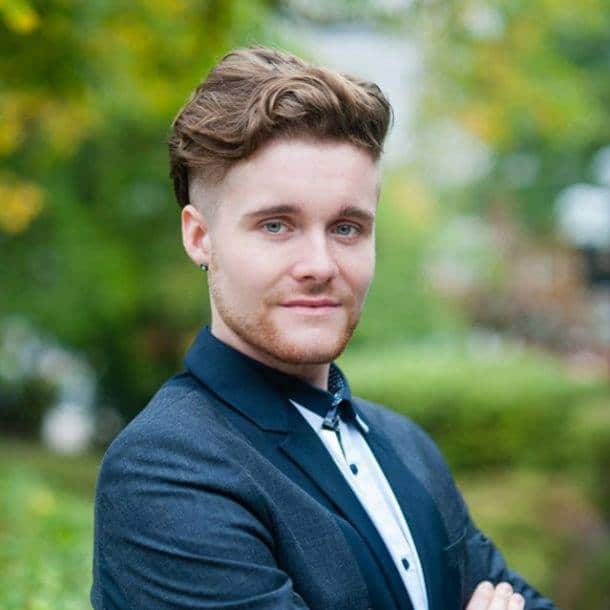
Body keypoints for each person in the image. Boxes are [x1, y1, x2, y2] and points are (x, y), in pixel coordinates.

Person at [90, 47, 559, 610]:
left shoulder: (406, 445)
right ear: (200, 237)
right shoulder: (166, 468)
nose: (320, 264)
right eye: (276, 225)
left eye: (346, 228)